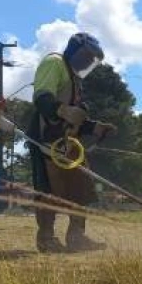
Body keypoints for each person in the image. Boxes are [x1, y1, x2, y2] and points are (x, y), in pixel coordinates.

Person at [28, 31, 117, 253]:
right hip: (45, 139)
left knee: (81, 188)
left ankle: (77, 237)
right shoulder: (54, 63)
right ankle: (46, 239)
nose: (88, 61)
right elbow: (42, 97)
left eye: (92, 60)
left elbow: (77, 118)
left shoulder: (75, 80)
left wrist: (95, 127)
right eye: (86, 55)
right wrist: (62, 110)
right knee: (49, 190)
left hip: (68, 144)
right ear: (74, 50)